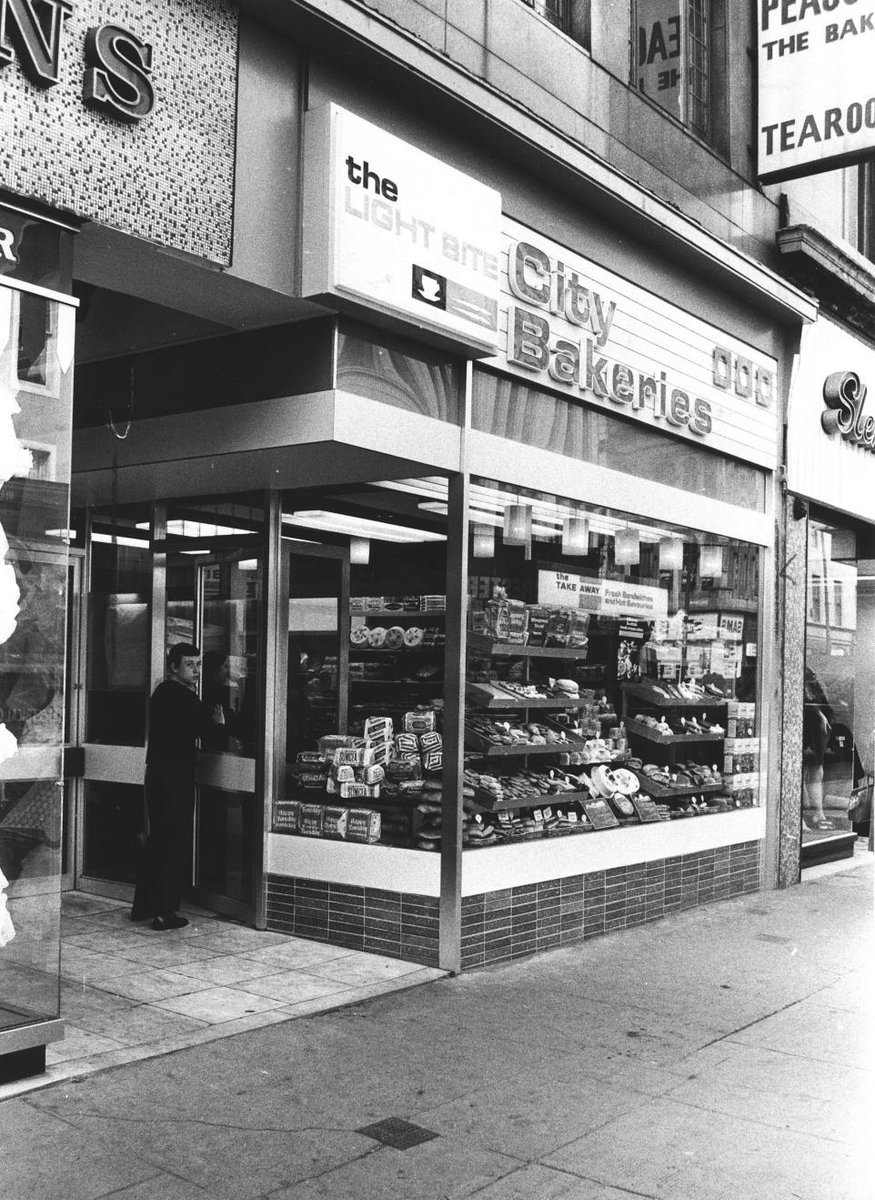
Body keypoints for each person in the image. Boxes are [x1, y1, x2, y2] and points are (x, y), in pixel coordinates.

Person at [131, 643, 223, 930]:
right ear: (173, 666)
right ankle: (164, 912)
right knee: (173, 843)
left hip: (157, 773)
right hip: (176, 776)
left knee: (158, 840)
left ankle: (143, 907)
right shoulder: (183, 696)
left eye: (198, 664)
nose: (196, 670)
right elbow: (208, 735)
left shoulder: (161, 693)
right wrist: (219, 723)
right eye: (189, 664)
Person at [802, 666, 834, 832]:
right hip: (806, 724)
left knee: (816, 770)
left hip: (814, 727)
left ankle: (818, 812)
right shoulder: (803, 669)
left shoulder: (809, 670)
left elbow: (817, 697)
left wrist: (821, 713)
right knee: (803, 771)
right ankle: (800, 816)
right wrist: (819, 713)